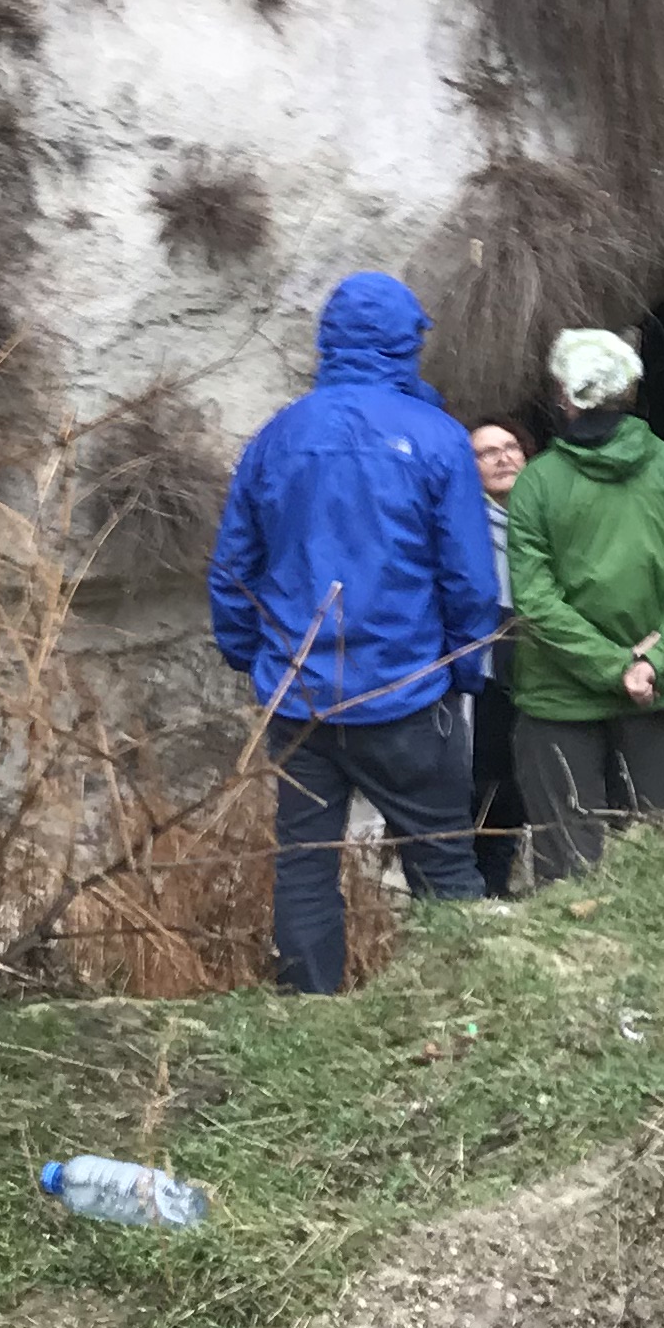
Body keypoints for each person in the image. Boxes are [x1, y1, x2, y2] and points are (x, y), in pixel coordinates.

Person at [207, 271, 502, 993]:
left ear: (329, 341)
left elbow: (234, 568)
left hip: (300, 698)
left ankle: (311, 1014)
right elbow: (469, 578)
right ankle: (465, 1005)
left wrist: (249, 655)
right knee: (443, 859)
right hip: (407, 692)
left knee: (304, 864)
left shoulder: (278, 435)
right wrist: (465, 669)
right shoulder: (437, 439)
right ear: (406, 343)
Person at [501, 327, 664, 883]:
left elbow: (535, 598)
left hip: (558, 697)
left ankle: (573, 934)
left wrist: (612, 667)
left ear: (563, 396)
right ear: (628, 391)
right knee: (652, 850)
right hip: (649, 691)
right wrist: (652, 660)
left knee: (567, 857)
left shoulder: (537, 483)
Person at [467, 416, 532, 893]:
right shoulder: (465, 521)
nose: (504, 458)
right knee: (488, 772)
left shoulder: (546, 516)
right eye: (487, 452)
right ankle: (481, 882)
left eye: (511, 447)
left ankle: (503, 878)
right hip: (486, 658)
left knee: (522, 773)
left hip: (540, 654)